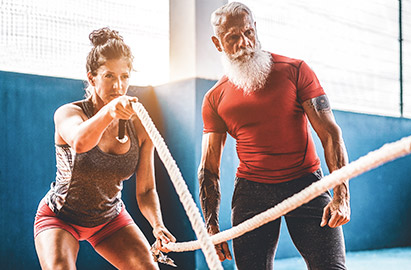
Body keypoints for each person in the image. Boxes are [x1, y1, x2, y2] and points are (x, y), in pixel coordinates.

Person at [198, 2, 350, 269]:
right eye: (233, 38)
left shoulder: (295, 71)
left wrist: (341, 197)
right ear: (218, 43)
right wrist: (211, 227)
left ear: (255, 29)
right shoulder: (214, 98)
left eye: (248, 32)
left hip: (305, 183)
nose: (244, 42)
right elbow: (208, 168)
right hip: (251, 191)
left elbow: (330, 134)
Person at [33, 27, 175, 270]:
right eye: (109, 76)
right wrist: (109, 112)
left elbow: (146, 189)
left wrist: (157, 223)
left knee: (149, 267)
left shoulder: (140, 124)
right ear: (92, 78)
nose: (118, 86)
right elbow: (79, 141)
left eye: (124, 76)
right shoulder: (69, 113)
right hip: (60, 217)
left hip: (109, 219)